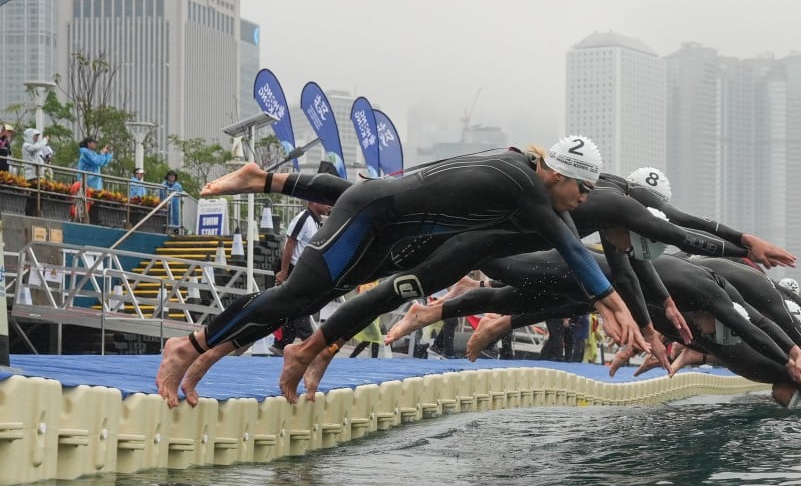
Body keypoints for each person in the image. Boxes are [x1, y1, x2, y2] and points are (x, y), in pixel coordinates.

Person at [156, 137, 650, 407]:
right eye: (581, 191)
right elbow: (572, 247)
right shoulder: (525, 184)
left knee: (300, 299)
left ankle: (207, 355)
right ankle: (189, 347)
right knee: (294, 297)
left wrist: (612, 306)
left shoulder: (533, 181)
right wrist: (617, 305)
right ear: (559, 176)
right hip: (371, 216)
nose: (583, 203)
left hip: (389, 231)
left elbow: (573, 248)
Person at [268, 200, 331, 355]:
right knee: (300, 308)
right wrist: (283, 272)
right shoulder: (303, 218)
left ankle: (281, 344)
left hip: (303, 270)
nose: (329, 205)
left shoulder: (317, 222)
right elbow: (290, 243)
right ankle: (310, 344)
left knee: (293, 309)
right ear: (314, 201)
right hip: (292, 269)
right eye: (326, 201)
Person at [21, 128, 49, 216]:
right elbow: (35, 148)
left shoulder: (34, 147)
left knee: (39, 197)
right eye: (35, 136)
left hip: (37, 176)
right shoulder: (26, 146)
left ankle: (37, 213)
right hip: (31, 176)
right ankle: (29, 214)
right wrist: (45, 140)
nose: (36, 138)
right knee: (32, 197)